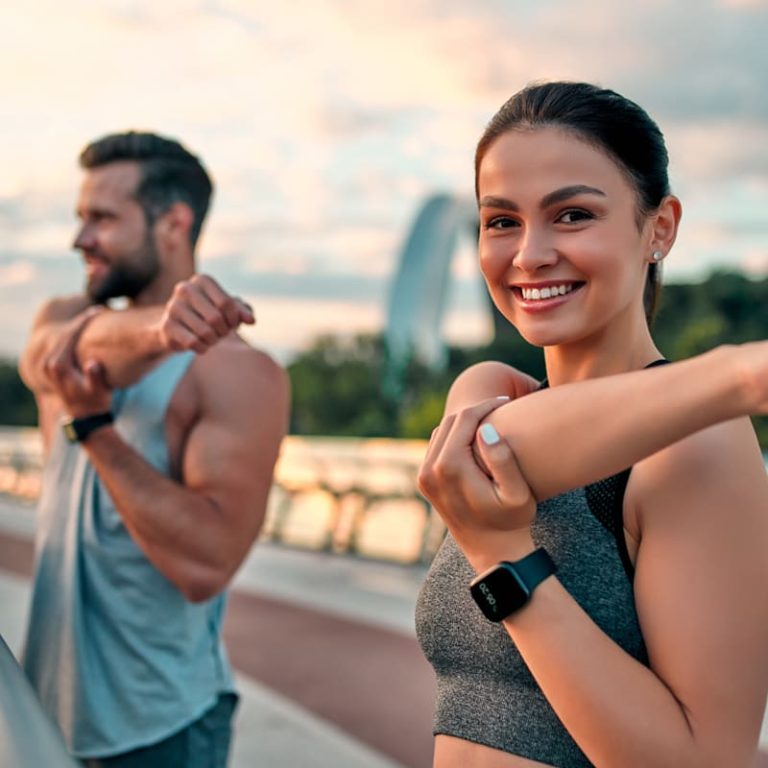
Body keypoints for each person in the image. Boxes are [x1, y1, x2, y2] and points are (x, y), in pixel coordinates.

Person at [416, 82, 768, 767]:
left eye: (572, 215)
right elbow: (497, 450)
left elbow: (704, 760)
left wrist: (508, 564)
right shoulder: (490, 392)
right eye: (501, 221)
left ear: (659, 228)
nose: (530, 254)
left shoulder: (698, 445)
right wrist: (739, 376)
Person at [18, 131, 290, 767]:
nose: (80, 239)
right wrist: (161, 329)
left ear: (174, 224)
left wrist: (96, 430)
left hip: (161, 727)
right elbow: (57, 356)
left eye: (102, 218)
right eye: (81, 217)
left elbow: (205, 566)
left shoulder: (239, 373)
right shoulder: (62, 322)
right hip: (46, 715)